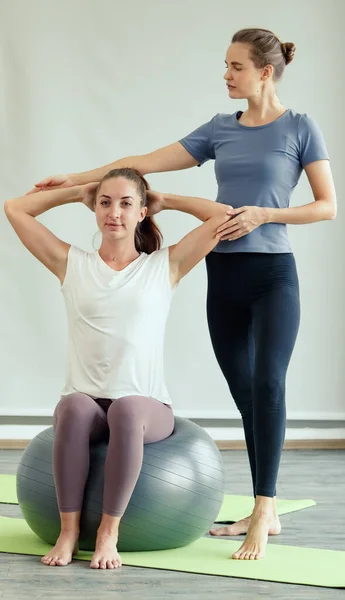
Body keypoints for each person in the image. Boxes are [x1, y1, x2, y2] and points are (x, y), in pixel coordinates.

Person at [30, 28, 337, 560]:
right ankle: (259, 504)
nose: (226, 75)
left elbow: (326, 205)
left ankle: (264, 510)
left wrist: (267, 214)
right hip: (225, 274)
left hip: (273, 273)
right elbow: (143, 163)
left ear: (264, 72)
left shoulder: (301, 127)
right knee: (246, 392)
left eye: (235, 67)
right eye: (225, 65)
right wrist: (73, 181)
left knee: (269, 384)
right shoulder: (220, 129)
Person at [4, 167, 232, 569]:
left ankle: (109, 532)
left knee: (126, 407)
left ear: (141, 213)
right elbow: (16, 209)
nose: (115, 213)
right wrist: (77, 192)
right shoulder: (70, 263)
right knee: (73, 406)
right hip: (88, 406)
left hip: (147, 408)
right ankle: (69, 531)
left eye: (127, 204)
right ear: (95, 208)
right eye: (106, 203)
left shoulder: (165, 267)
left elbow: (222, 216)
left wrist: (163, 200)